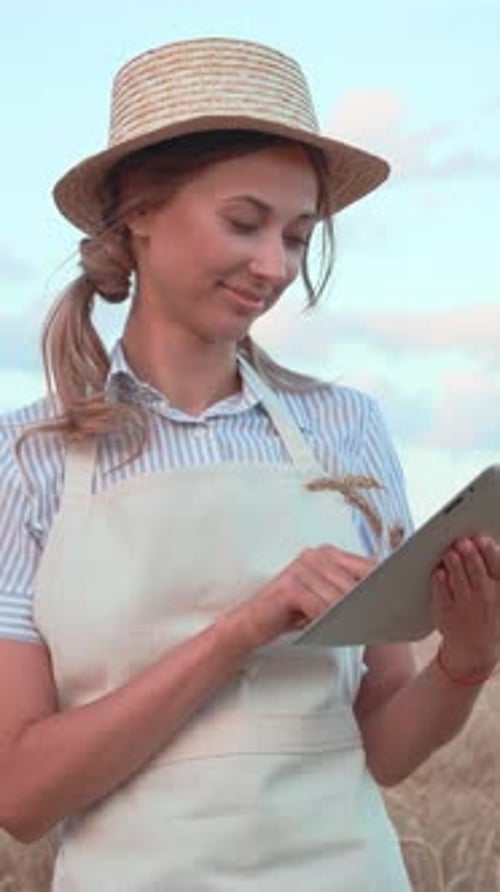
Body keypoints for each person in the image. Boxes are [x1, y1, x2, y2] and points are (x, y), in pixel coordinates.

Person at [0, 37, 499, 892]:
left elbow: (384, 747)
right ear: (140, 210)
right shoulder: (29, 458)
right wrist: (242, 628)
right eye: (245, 222)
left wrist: (465, 660)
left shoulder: (349, 430)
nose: (275, 267)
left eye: (299, 236)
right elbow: (23, 794)